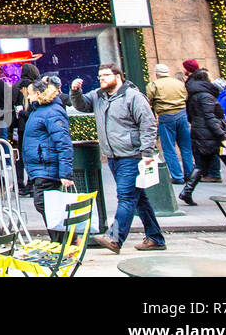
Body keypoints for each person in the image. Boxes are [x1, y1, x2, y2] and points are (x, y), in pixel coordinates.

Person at [71, 64, 165, 254]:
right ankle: (155, 237)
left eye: (105, 75)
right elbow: (82, 105)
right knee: (139, 199)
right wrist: (76, 91)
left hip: (132, 155)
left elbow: (148, 124)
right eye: (99, 76)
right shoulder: (99, 95)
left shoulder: (133, 97)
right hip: (114, 156)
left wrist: (147, 152)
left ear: (118, 76)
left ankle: (115, 238)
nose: (101, 79)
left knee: (126, 196)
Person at [20, 75, 75, 243]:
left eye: (30, 94)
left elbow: (63, 142)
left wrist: (66, 173)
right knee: (46, 204)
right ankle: (63, 241)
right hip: (41, 166)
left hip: (47, 166)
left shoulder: (51, 111)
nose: (28, 97)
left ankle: (64, 241)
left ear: (38, 94)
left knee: (44, 203)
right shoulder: (40, 110)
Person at [179, 68, 226, 204]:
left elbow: (191, 117)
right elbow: (211, 119)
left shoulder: (193, 95)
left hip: (200, 134)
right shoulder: (206, 96)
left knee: (201, 166)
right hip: (213, 136)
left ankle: (187, 191)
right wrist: (223, 139)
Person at [147, 62, 194, 184]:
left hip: (166, 116)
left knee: (169, 148)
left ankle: (177, 176)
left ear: (156, 74)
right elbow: (185, 96)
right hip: (182, 115)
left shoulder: (153, 85)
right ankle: (190, 175)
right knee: (186, 147)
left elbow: (149, 101)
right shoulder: (178, 83)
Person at [11, 63, 41, 192]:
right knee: (32, 154)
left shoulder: (15, 87)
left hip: (20, 126)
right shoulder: (35, 86)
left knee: (20, 155)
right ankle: (31, 182)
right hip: (32, 125)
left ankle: (19, 183)